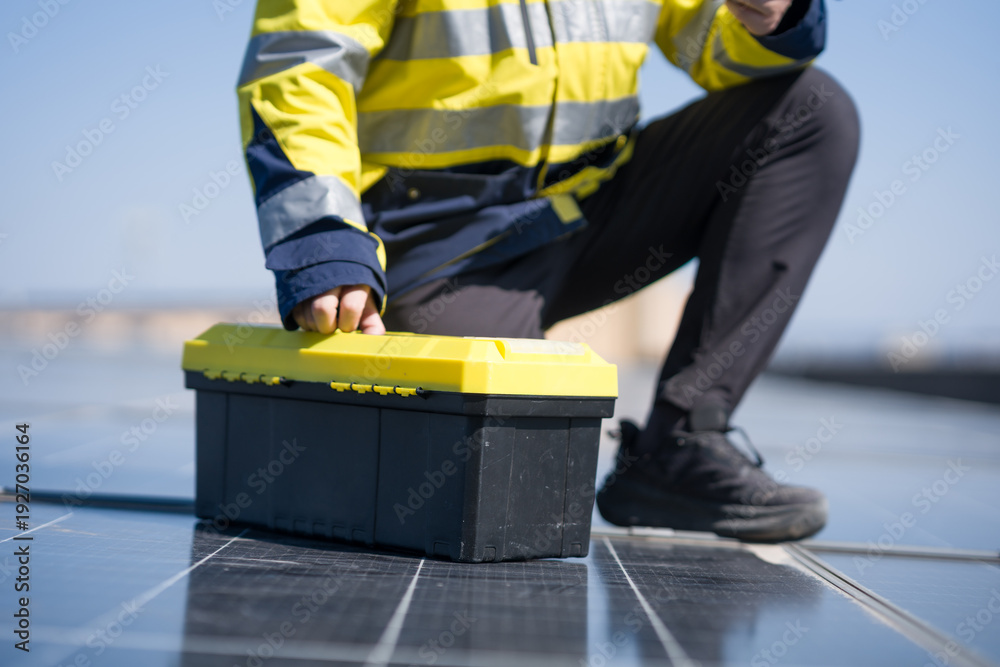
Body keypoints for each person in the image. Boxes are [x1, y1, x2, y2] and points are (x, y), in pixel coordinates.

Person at [238, 0, 859, 541]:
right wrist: (326, 241)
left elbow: (716, 46)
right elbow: (300, 63)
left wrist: (773, 18)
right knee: (469, 482)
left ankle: (682, 443)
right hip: (441, 239)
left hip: (595, 205)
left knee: (812, 110)